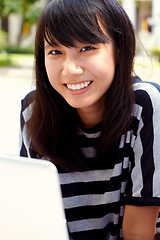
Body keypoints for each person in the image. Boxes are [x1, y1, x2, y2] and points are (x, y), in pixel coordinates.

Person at [19, 0, 160, 239]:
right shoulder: (34, 111)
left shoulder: (145, 104)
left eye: (87, 48)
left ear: (118, 50)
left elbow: (138, 234)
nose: (70, 69)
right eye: (55, 52)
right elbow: (36, 219)